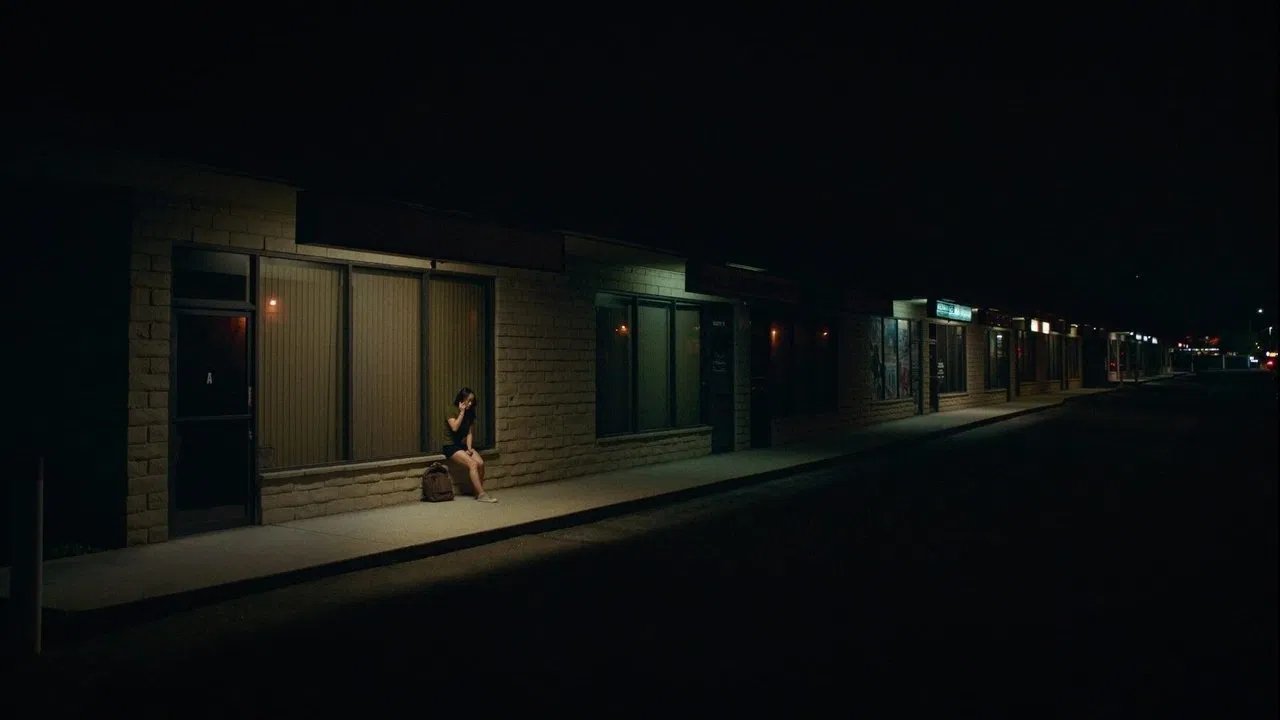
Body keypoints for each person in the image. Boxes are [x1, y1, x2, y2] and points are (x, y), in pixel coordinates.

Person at [444, 387, 496, 503]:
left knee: (480, 463)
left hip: (461, 445)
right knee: (472, 464)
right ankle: (482, 495)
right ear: (462, 399)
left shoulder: (470, 412)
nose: (470, 403)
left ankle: (477, 491)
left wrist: (469, 448)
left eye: (472, 401)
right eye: (468, 400)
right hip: (450, 446)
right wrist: (462, 413)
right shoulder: (451, 410)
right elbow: (454, 427)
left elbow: (469, 433)